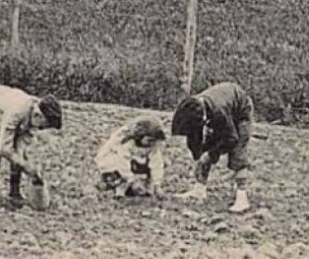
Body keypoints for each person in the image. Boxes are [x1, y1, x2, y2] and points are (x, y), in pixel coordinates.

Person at [171, 81, 256, 214]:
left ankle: (242, 198)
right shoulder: (192, 108)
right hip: (222, 113)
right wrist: (198, 154)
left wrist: (211, 153)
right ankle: (199, 189)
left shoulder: (218, 111)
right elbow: (194, 135)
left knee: (238, 154)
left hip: (241, 113)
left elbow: (231, 139)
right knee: (206, 152)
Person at [0, 84, 63, 208]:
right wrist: (25, 165)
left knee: (18, 155)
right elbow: (3, 148)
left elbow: (20, 148)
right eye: (43, 126)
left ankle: (14, 192)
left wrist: (27, 166)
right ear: (38, 116)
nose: (42, 129)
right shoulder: (16, 111)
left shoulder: (34, 121)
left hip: (5, 112)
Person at [95, 115, 167, 199]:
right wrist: (131, 180)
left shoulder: (152, 147)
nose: (152, 143)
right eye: (150, 140)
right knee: (117, 175)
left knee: (151, 166)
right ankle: (118, 191)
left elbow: (157, 164)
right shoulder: (126, 144)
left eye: (155, 141)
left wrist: (156, 184)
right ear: (140, 135)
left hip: (132, 166)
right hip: (115, 166)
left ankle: (146, 190)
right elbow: (122, 162)